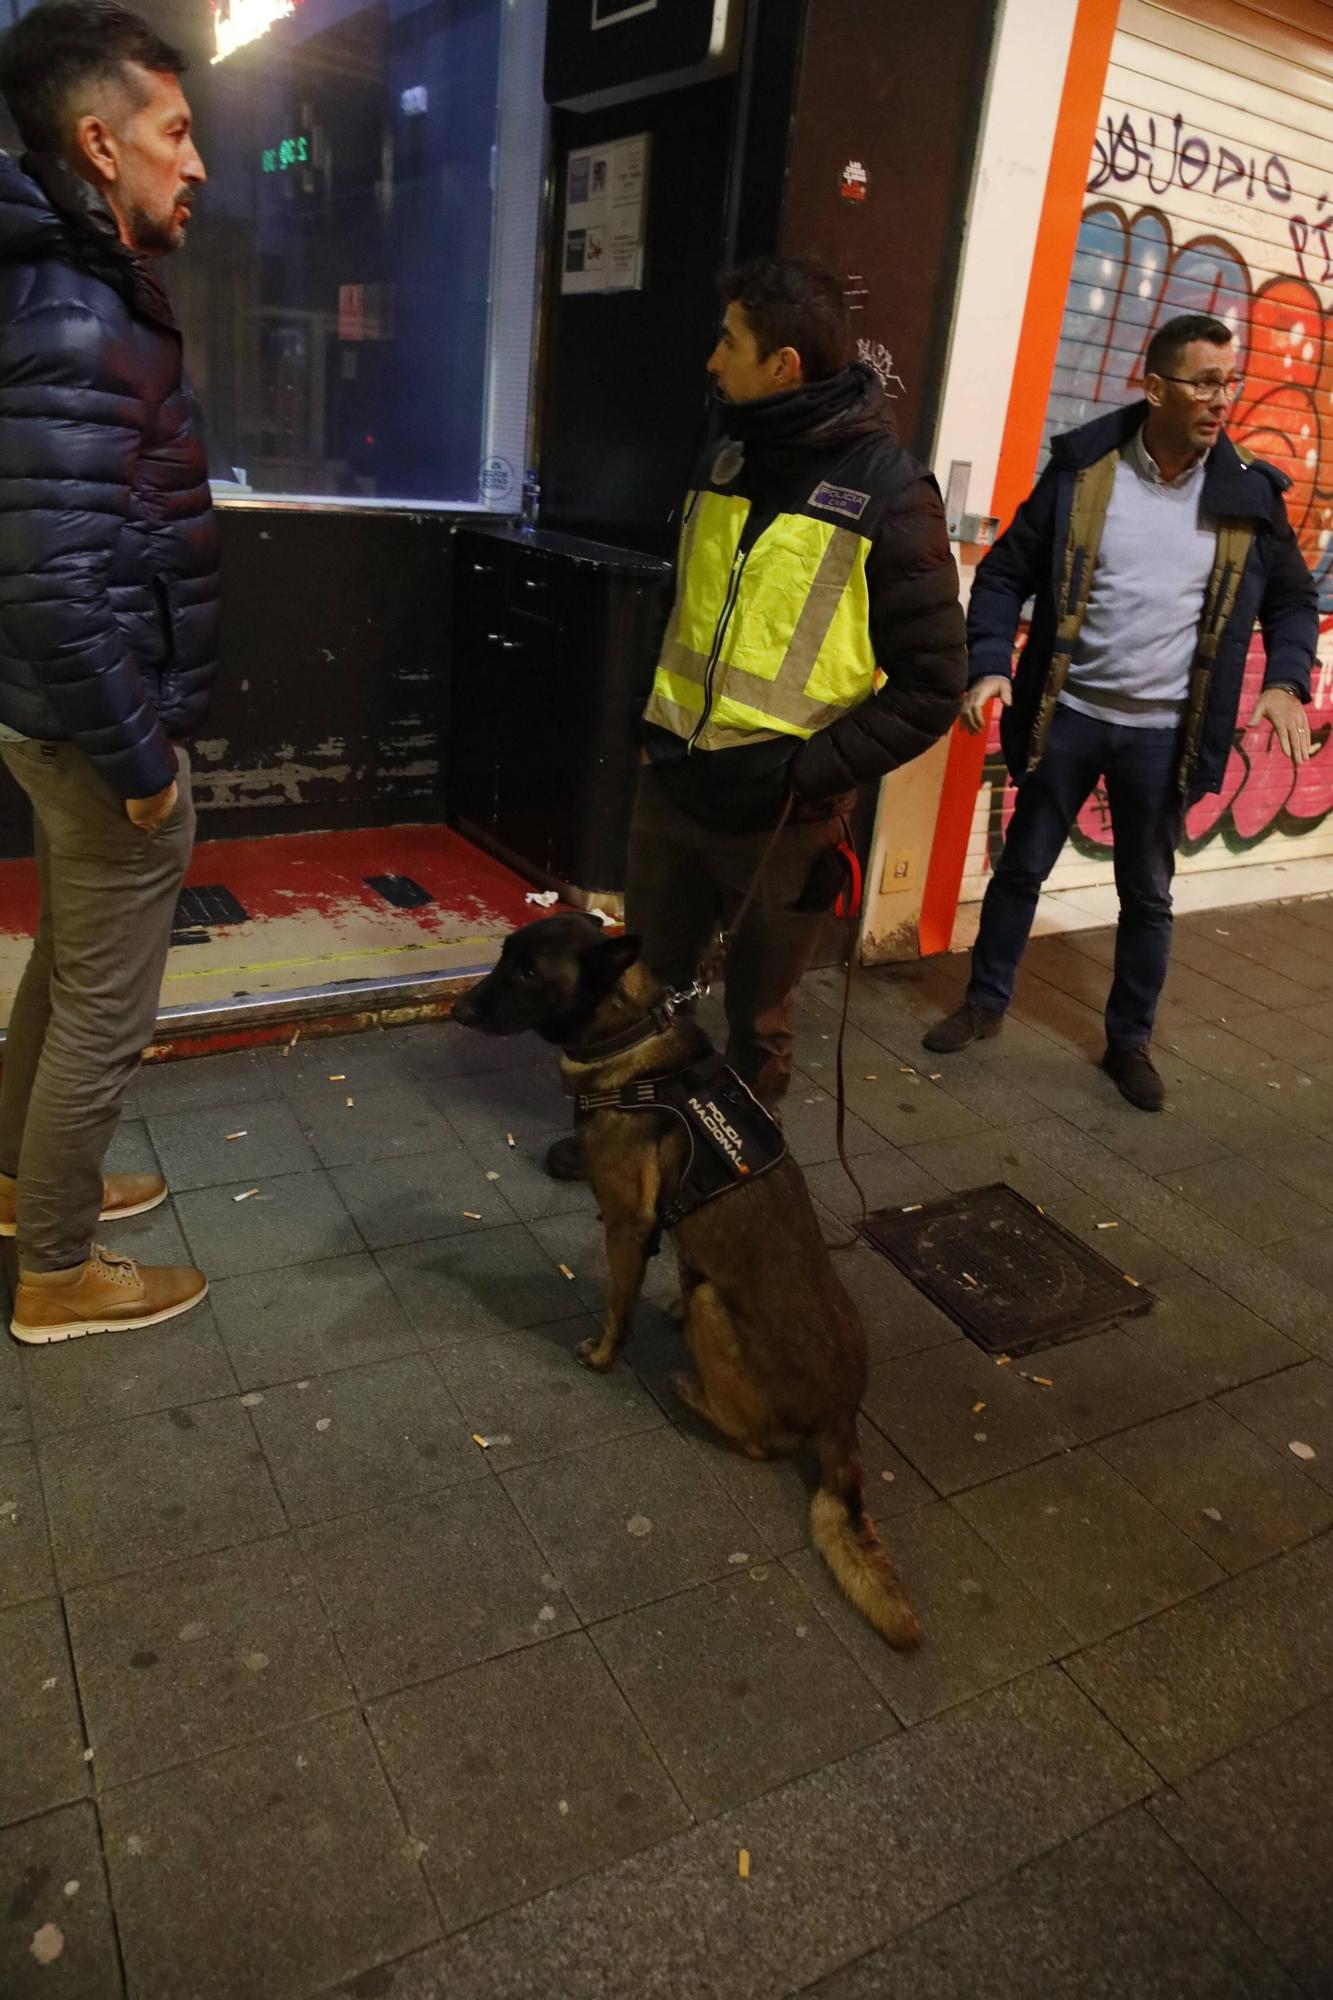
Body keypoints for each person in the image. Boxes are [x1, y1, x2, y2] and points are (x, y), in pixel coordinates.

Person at [547, 255, 966, 1177]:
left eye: (727, 342)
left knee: (758, 1017)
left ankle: (730, 1163)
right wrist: (651, 724)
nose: (710, 360)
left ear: (782, 366)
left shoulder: (891, 494)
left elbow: (934, 684)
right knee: (647, 985)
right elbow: (685, 609)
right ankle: (628, 1129)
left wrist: (809, 773)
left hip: (783, 819)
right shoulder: (727, 455)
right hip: (677, 790)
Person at [924, 311, 1319, 1111]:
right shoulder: (1084, 475)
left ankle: (1128, 1043)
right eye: (1204, 382)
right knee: (1022, 867)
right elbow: (1002, 576)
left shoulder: (1247, 493)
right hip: (1065, 716)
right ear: (1153, 387)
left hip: (1164, 735)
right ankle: (985, 1002)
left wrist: (1284, 681)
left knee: (1146, 893)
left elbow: (1290, 600)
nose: (1220, 399)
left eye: (1228, 382)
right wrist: (991, 667)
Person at [0, 0, 218, 1341]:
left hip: (57, 717)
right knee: (101, 1004)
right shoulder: (78, 314)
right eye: (175, 133)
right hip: (98, 730)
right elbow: (57, 587)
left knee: (63, 972)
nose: (197, 165)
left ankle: (26, 1189)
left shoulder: (62, 285)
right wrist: (145, 769)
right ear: (98, 143)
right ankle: (60, 1273)